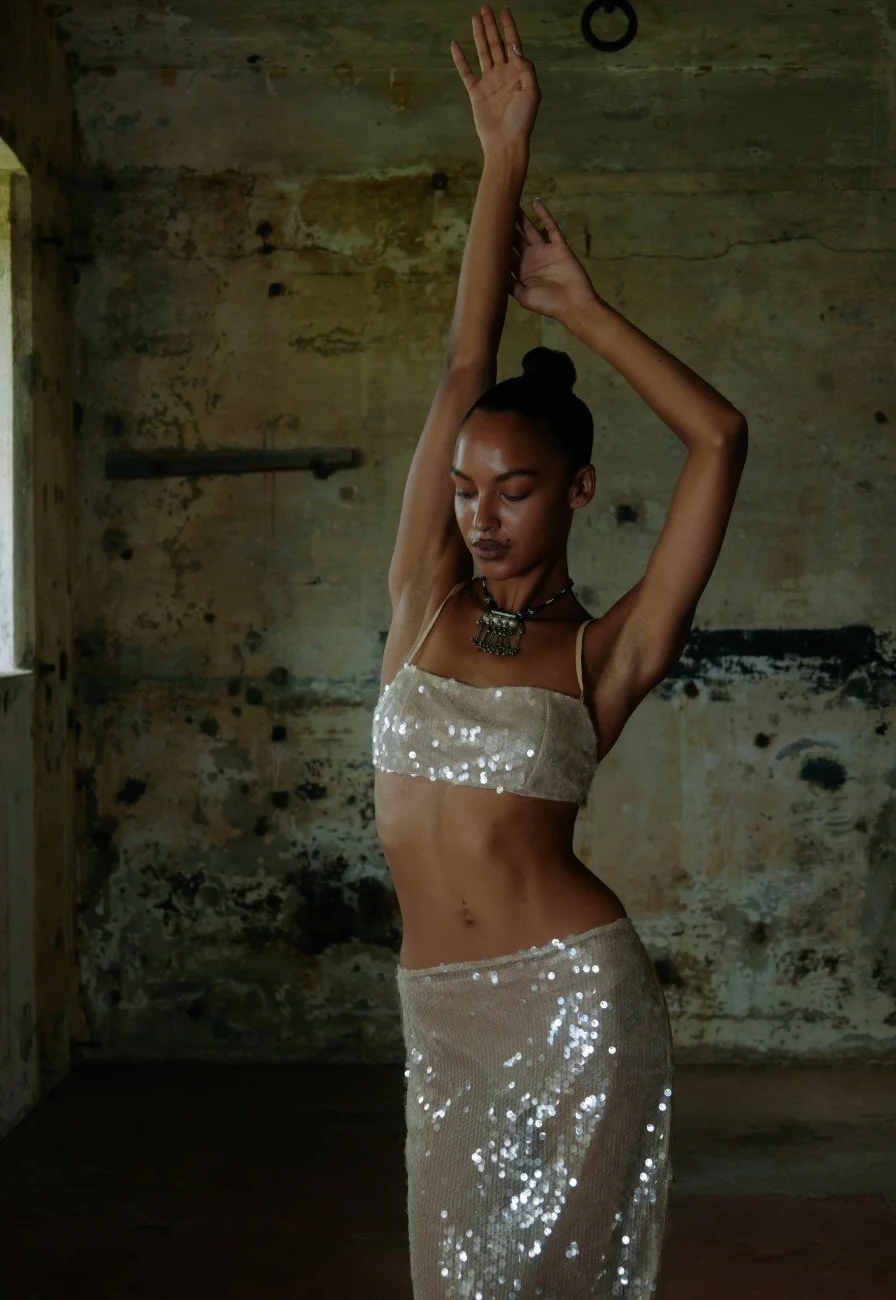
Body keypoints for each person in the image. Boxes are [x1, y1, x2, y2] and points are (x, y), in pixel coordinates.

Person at [371, 6, 748, 1296]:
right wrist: (501, 159)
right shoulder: (422, 595)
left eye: (514, 490)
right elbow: (463, 360)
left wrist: (585, 309)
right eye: (468, 487)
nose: (478, 513)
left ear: (578, 491)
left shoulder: (608, 652)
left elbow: (721, 437)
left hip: (578, 1010)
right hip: (440, 1015)